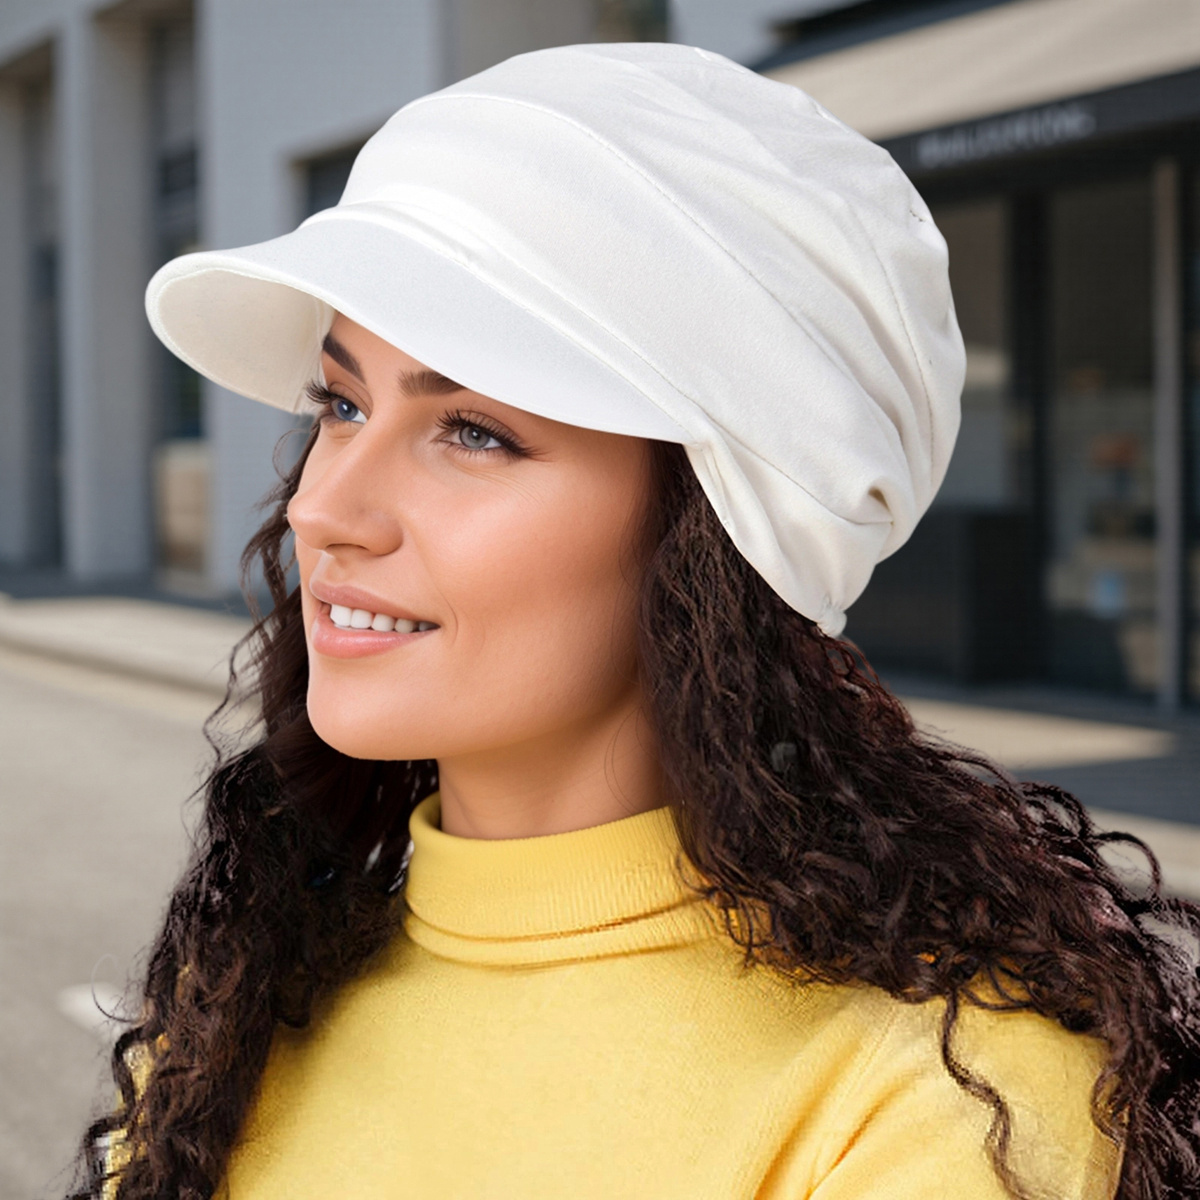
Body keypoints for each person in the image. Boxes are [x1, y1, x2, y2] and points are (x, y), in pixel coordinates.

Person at [74, 44, 1198, 1200]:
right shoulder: (239, 1008)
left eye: (473, 431)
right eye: (340, 402)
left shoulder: (937, 1100)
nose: (322, 506)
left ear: (713, 534)